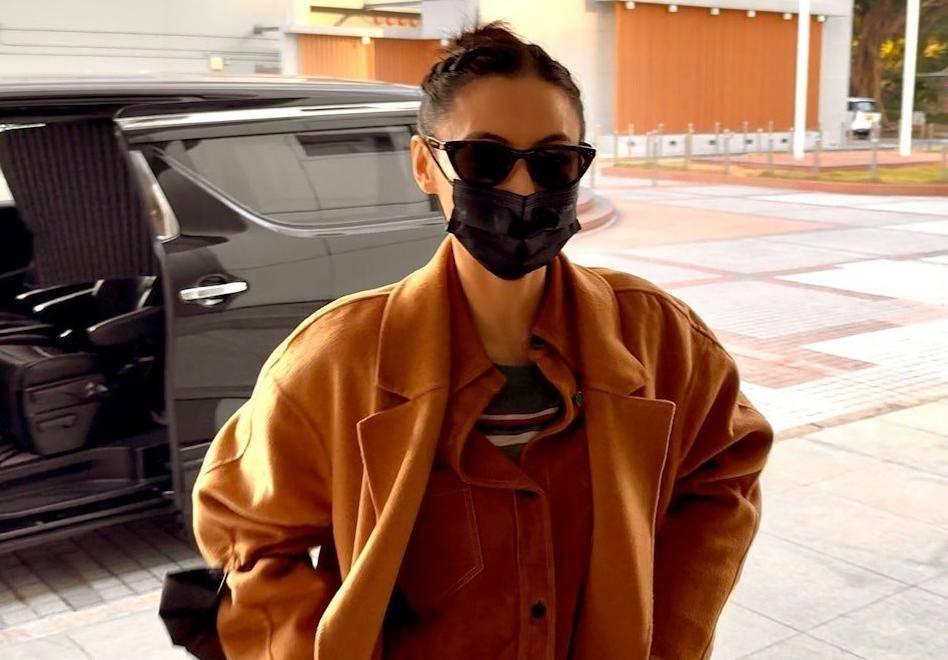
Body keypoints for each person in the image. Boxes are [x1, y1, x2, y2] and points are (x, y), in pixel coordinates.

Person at [191, 21, 774, 660]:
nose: (522, 189)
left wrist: (670, 639)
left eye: (553, 161)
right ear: (425, 165)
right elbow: (247, 533)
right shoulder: (333, 360)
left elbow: (724, 476)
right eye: (483, 160)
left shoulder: (659, 336)